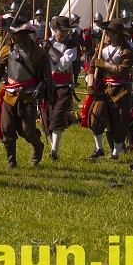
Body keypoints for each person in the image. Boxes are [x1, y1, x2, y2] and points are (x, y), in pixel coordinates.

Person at [0, 17, 53, 168]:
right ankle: (12, 161)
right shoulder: (6, 50)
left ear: (23, 34)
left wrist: (40, 88)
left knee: (27, 131)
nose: (10, 36)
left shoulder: (37, 52)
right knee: (6, 127)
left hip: (28, 95)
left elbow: (45, 76)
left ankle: (37, 145)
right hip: (9, 94)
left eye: (14, 33)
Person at [87, 18, 133, 160]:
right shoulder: (101, 48)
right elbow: (92, 66)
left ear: (116, 34)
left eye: (109, 32)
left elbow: (121, 71)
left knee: (119, 120)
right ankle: (99, 148)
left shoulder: (127, 51)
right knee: (96, 115)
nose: (106, 34)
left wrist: (104, 64)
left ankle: (116, 152)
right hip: (104, 88)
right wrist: (91, 82)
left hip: (121, 90)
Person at [42, 15, 77, 160]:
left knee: (57, 116)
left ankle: (54, 151)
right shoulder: (45, 43)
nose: (63, 34)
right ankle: (52, 147)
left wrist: (50, 49)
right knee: (47, 117)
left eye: (66, 31)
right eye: (61, 31)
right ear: (54, 30)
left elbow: (62, 65)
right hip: (48, 85)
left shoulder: (71, 46)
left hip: (64, 85)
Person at [70, 13, 84, 86]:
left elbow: (81, 39)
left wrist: (83, 46)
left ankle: (75, 82)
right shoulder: (68, 29)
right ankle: (69, 81)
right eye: (77, 20)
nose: (79, 21)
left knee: (76, 66)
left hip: (77, 49)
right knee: (69, 65)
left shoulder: (79, 30)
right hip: (69, 49)